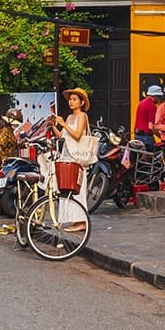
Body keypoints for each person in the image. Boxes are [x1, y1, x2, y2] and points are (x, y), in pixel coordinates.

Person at [49, 87, 96, 226]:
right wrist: (53, 126)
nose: (71, 102)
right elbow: (62, 136)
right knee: (66, 188)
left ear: (81, 103)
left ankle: (82, 221)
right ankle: (72, 220)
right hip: (67, 155)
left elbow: (77, 135)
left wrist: (63, 123)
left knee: (78, 188)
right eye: (70, 99)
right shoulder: (69, 117)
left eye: (74, 99)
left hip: (77, 157)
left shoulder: (82, 116)